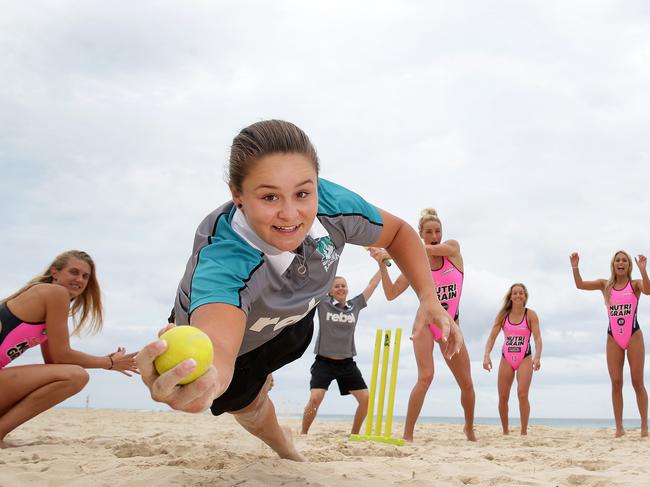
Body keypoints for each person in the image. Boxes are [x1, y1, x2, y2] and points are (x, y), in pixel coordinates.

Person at [135, 120, 463, 461]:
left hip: (296, 322)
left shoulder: (335, 205)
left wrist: (428, 297)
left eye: (303, 193)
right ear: (237, 194)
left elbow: (397, 233)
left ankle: (264, 380)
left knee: (292, 341)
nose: (290, 214)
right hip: (241, 341)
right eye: (269, 196)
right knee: (242, 401)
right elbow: (218, 346)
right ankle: (285, 445)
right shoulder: (224, 259)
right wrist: (207, 381)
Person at [0, 250, 138, 448]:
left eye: (85, 276)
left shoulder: (48, 298)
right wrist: (109, 363)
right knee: (76, 376)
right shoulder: (55, 293)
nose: (79, 279)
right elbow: (61, 355)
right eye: (74, 272)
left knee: (70, 374)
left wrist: (107, 361)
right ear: (55, 272)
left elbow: (55, 361)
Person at [369, 208, 475, 442]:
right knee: (425, 377)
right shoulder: (415, 265)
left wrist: (390, 252)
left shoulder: (453, 250)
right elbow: (391, 293)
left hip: (451, 326)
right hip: (426, 324)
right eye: (429, 232)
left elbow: (431, 249)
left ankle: (469, 429)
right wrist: (382, 265)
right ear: (421, 235)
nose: (434, 235)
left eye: (437, 230)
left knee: (466, 383)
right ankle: (408, 434)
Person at [571, 251, 650, 437]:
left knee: (637, 382)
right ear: (613, 264)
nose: (621, 263)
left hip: (633, 335)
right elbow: (580, 285)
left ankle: (645, 426)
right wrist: (575, 267)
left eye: (624, 261)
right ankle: (619, 428)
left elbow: (648, 290)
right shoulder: (605, 285)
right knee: (616, 383)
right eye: (618, 260)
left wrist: (643, 270)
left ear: (629, 266)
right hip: (613, 337)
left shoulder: (635, 284)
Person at [300, 271, 381, 435]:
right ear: (330, 291)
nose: (341, 288)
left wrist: (382, 264)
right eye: (336, 286)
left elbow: (372, 285)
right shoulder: (323, 303)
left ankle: (354, 434)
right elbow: (313, 282)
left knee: (365, 399)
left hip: (347, 364)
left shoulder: (355, 305)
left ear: (348, 289)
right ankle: (303, 433)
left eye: (343, 286)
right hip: (324, 362)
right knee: (315, 398)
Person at [482, 283, 542, 435]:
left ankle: (523, 431)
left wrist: (537, 357)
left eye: (521, 293)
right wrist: (486, 355)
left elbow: (537, 338)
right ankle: (505, 431)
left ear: (525, 296)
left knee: (522, 394)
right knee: (503, 397)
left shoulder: (531, 315)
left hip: (524, 358)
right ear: (510, 297)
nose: (518, 296)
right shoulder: (503, 316)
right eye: (515, 293)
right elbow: (491, 338)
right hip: (506, 358)